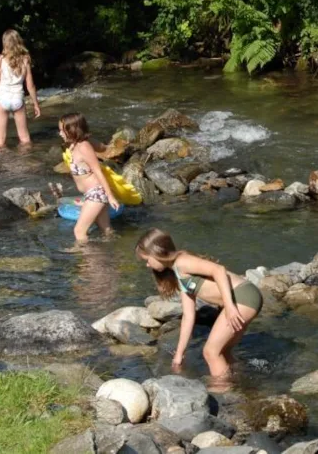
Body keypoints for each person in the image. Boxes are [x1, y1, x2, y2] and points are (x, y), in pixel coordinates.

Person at [136, 228, 263, 378]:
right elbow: (188, 316)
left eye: (147, 260)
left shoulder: (182, 261)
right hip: (242, 299)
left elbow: (219, 270)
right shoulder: (178, 273)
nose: (147, 265)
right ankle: (241, 380)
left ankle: (224, 392)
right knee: (223, 351)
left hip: (243, 297)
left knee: (210, 352)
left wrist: (229, 307)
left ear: (157, 253)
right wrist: (179, 354)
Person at [58, 112, 120, 244]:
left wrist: (110, 196)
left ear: (72, 130)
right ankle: (113, 257)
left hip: (97, 193)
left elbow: (98, 171)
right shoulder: (76, 143)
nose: (60, 133)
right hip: (92, 194)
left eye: (62, 130)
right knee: (106, 229)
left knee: (79, 231)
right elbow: (103, 148)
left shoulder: (84, 147)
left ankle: (88, 262)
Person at [0, 29, 41, 148]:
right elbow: (30, 85)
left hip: (2, 99)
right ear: (19, 41)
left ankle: (2, 164)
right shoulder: (25, 59)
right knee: (24, 138)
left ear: (4, 42)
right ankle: (27, 163)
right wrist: (36, 104)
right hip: (18, 98)